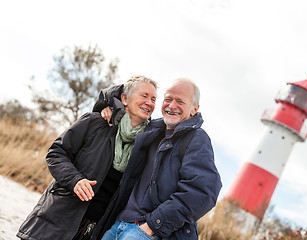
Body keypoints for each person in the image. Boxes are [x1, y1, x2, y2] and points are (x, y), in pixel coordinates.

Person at [17, 75, 158, 240]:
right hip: (60, 217)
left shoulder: (148, 143)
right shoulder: (95, 122)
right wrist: (75, 180)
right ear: (124, 98)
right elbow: (56, 153)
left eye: (154, 99)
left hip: (95, 229)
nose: (149, 102)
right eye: (144, 96)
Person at [99, 78, 222, 240]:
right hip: (118, 224)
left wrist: (151, 226)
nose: (172, 106)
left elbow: (203, 192)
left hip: (149, 232)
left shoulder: (197, 138)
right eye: (168, 99)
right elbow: (130, 97)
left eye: (180, 101)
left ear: (194, 109)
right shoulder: (150, 130)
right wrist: (108, 107)